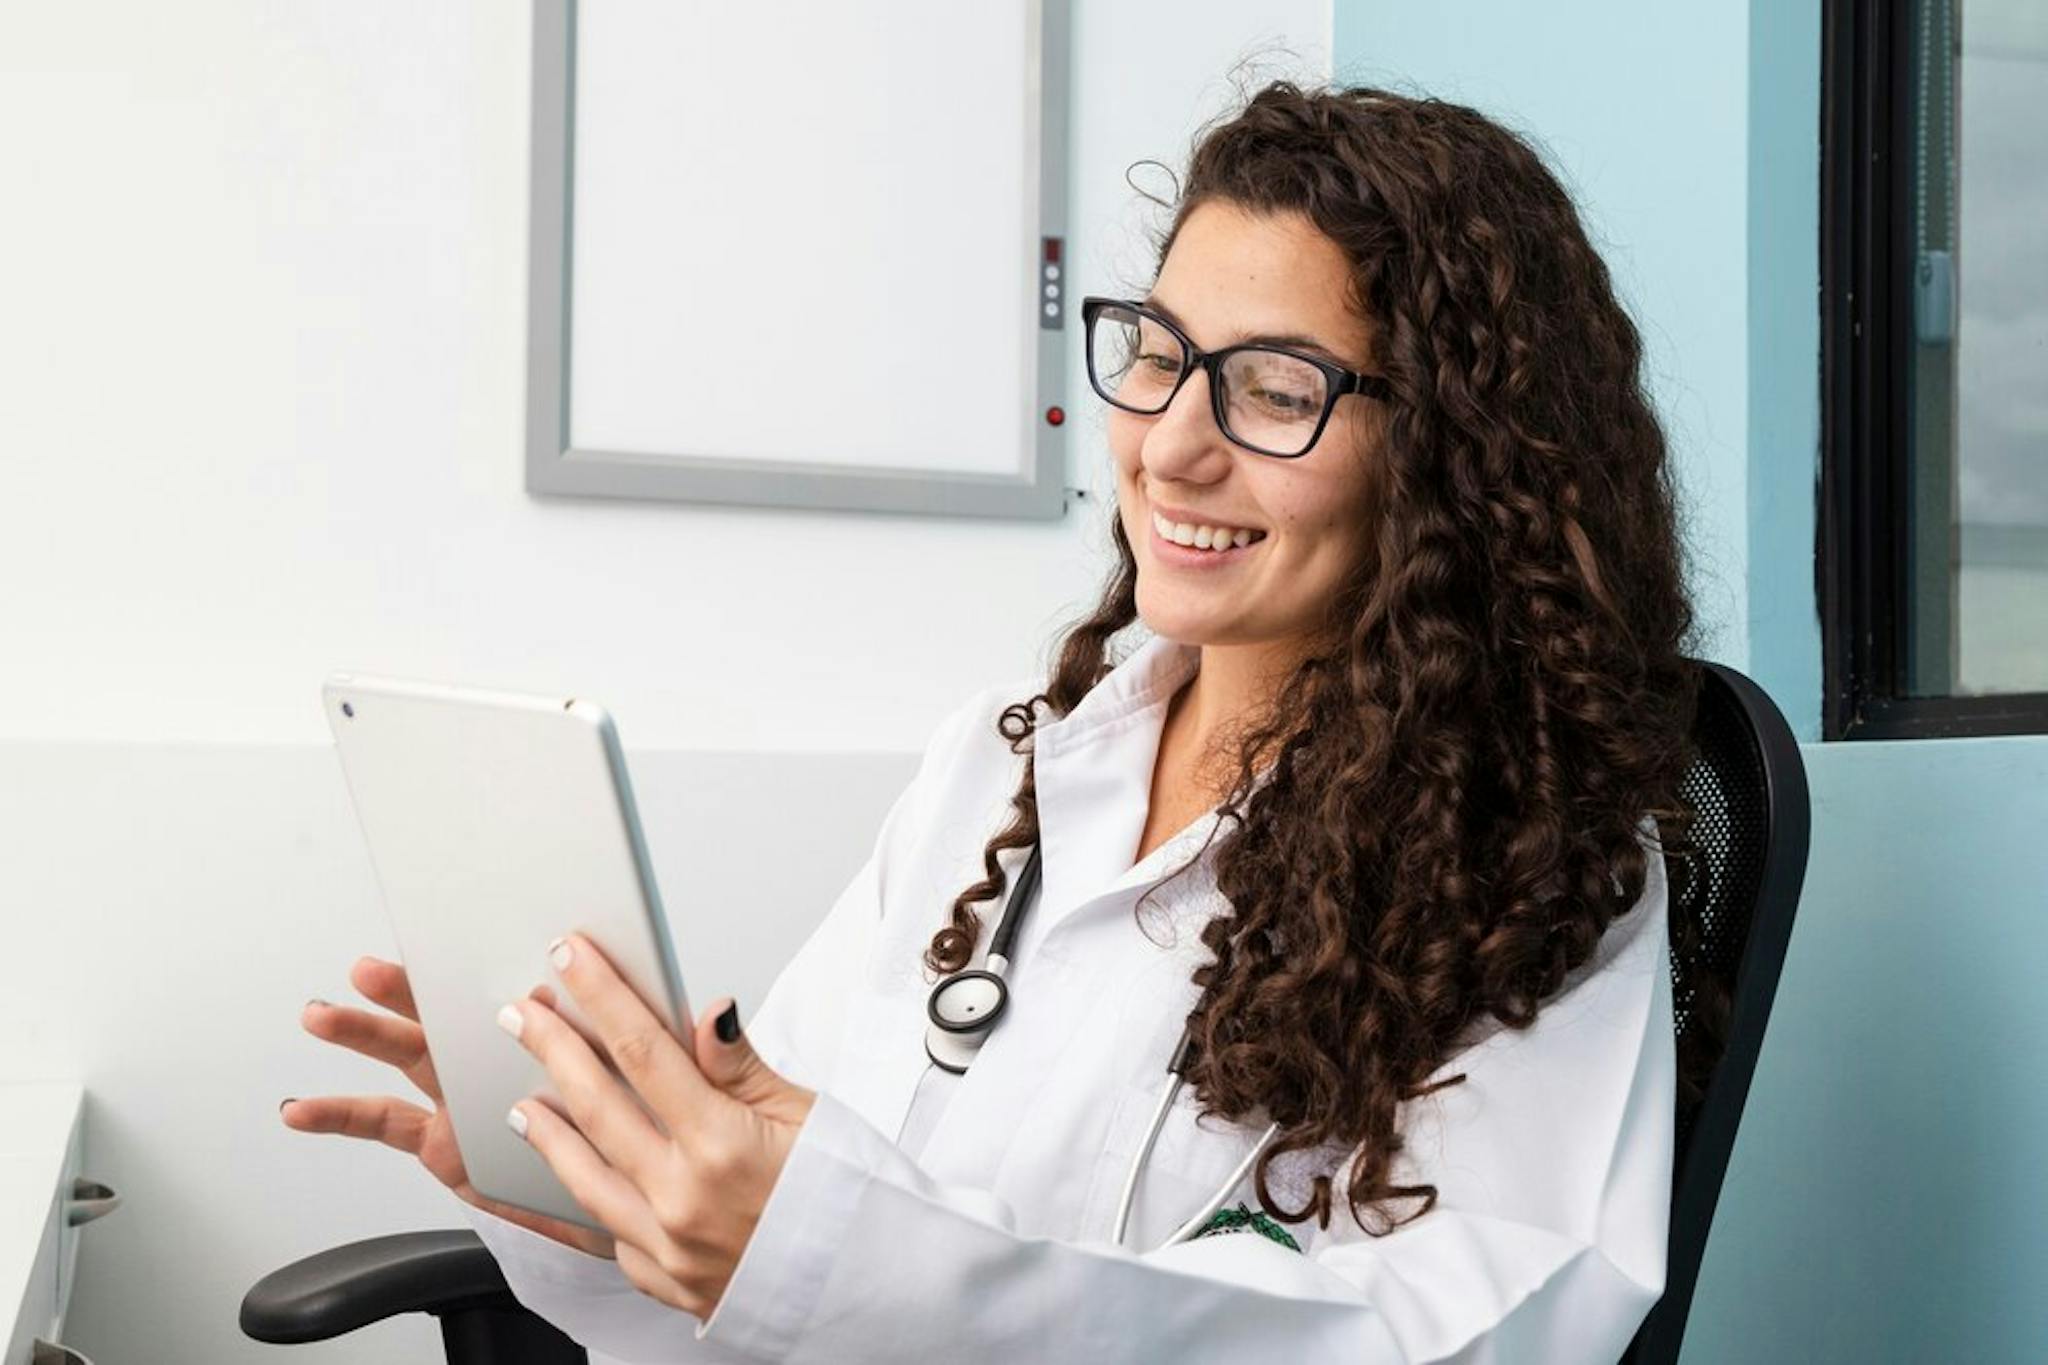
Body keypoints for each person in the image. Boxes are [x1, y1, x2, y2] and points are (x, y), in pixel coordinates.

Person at [285, 77, 1699, 1362]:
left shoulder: (1534, 859)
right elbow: (783, 1246)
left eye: (1276, 389)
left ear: (1449, 453)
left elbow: (1469, 1335)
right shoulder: (1004, 767)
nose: (1173, 445)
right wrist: (597, 1188)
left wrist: (843, 1263)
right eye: (1157, 355)